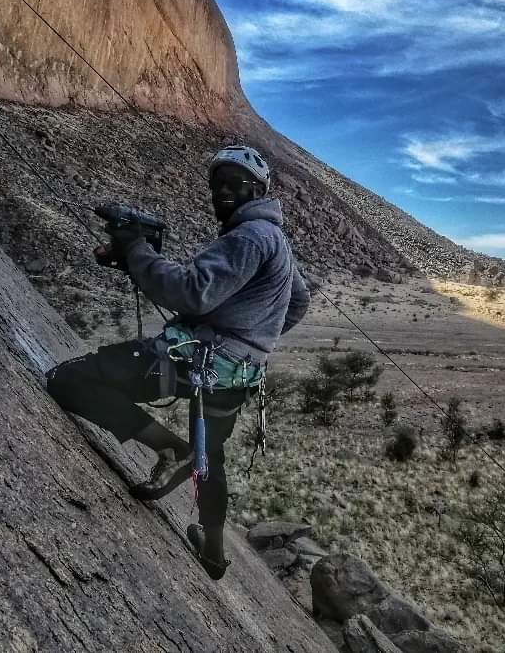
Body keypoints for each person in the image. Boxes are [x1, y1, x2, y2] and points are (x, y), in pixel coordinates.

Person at [46, 144, 309, 579]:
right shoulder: (273, 238)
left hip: (196, 363)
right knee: (213, 455)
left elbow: (190, 291)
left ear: (258, 189)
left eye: (235, 183)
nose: (223, 191)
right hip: (238, 376)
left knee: (68, 380)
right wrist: (253, 338)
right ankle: (213, 550)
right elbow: (296, 302)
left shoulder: (249, 236)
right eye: (217, 183)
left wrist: (136, 251)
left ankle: (171, 449)